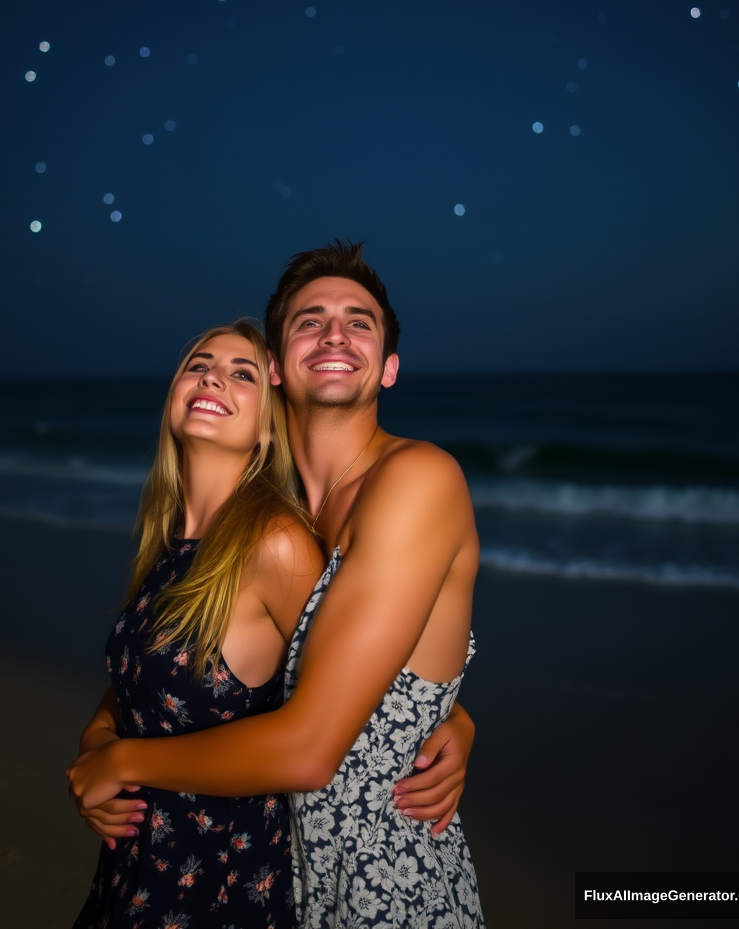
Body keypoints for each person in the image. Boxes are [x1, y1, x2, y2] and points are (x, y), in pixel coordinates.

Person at [70, 242, 483, 927]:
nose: (334, 334)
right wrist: (100, 734)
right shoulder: (272, 511)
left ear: (388, 369)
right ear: (277, 367)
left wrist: (454, 720)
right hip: (281, 872)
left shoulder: (415, 481)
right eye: (309, 320)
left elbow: (320, 740)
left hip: (384, 886)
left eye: (360, 322)